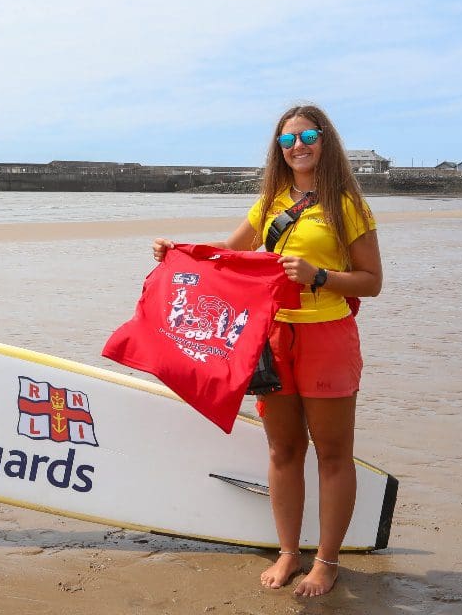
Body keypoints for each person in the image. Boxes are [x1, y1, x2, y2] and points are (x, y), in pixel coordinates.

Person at [152, 104, 382, 598]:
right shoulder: (270, 203)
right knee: (283, 450)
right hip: (273, 339)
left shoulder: (347, 205)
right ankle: (288, 551)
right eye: (288, 140)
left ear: (325, 141)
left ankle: (326, 561)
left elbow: (372, 281)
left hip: (327, 337)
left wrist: (319, 275)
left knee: (333, 454)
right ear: (279, 148)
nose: (298, 146)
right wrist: (178, 252)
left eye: (308, 136)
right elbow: (227, 256)